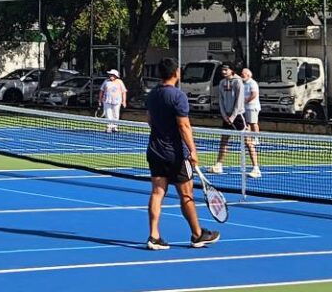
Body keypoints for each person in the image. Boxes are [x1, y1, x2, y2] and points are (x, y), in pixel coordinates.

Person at [144, 58, 219, 251]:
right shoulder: (178, 96)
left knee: (157, 192)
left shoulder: (152, 95)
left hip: (155, 151)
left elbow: (150, 120)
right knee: (186, 194)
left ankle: (154, 236)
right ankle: (197, 234)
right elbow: (184, 125)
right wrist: (192, 150)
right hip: (176, 155)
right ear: (176, 73)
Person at [212, 63, 262, 178]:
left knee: (247, 142)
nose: (223, 72)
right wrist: (225, 116)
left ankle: (256, 168)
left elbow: (239, 102)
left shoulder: (238, 82)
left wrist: (233, 117)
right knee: (223, 141)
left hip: (238, 116)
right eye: (222, 70)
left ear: (232, 70)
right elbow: (221, 101)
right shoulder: (222, 83)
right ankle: (219, 165)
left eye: (226, 70)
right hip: (227, 117)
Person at [99, 69, 126, 133]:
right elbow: (101, 91)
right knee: (108, 114)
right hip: (107, 100)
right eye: (110, 74)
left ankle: (115, 127)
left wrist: (124, 101)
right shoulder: (106, 81)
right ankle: (109, 127)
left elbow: (124, 91)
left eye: (112, 75)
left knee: (116, 114)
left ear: (116, 76)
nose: (111, 76)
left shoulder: (120, 82)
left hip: (117, 101)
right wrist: (100, 100)